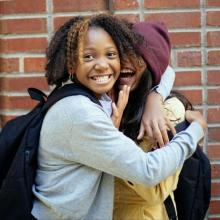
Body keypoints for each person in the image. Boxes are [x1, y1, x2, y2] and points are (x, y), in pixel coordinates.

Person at [31, 14, 206, 220]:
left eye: (111, 54)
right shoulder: (88, 108)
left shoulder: (164, 110)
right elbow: (147, 170)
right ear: (71, 64)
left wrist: (155, 96)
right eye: (88, 56)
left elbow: (154, 191)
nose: (122, 62)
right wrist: (196, 130)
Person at [112, 21, 201, 219]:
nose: (125, 60)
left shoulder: (168, 112)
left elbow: (155, 190)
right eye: (119, 53)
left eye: (136, 54)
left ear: (151, 63)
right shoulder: (110, 101)